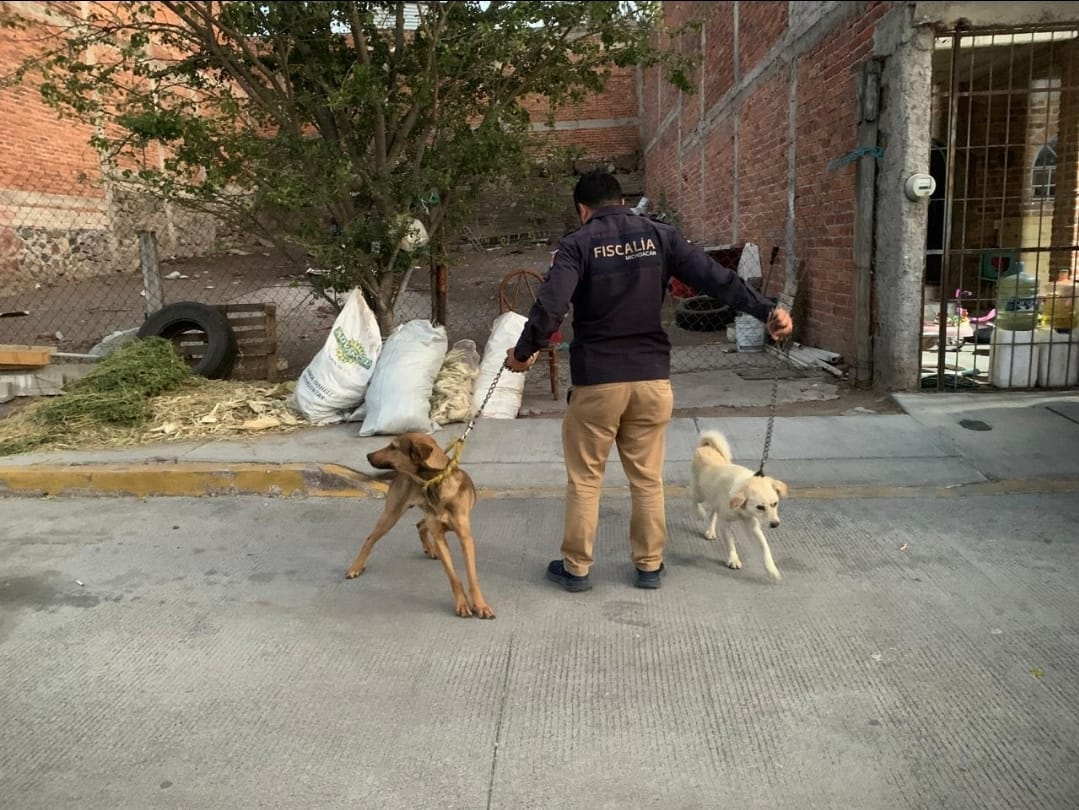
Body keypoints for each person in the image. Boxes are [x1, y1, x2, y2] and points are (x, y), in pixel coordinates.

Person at [504, 170, 793, 592]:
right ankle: (649, 566)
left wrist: (522, 353)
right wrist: (767, 311)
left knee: (586, 480)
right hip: (651, 379)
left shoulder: (576, 245)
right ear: (622, 202)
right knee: (646, 479)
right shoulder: (661, 235)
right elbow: (717, 279)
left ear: (582, 210)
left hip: (597, 381)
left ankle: (577, 569)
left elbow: (551, 307)